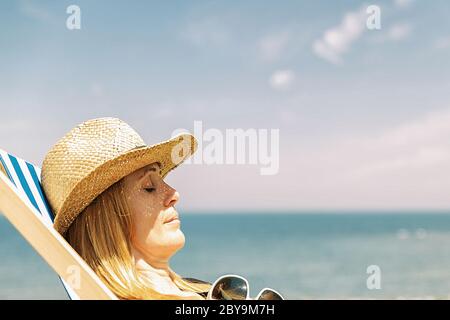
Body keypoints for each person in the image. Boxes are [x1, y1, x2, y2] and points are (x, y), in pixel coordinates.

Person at [41, 117, 211, 300]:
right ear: (106, 220)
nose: (174, 194)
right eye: (149, 187)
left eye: (162, 180)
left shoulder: (202, 290)